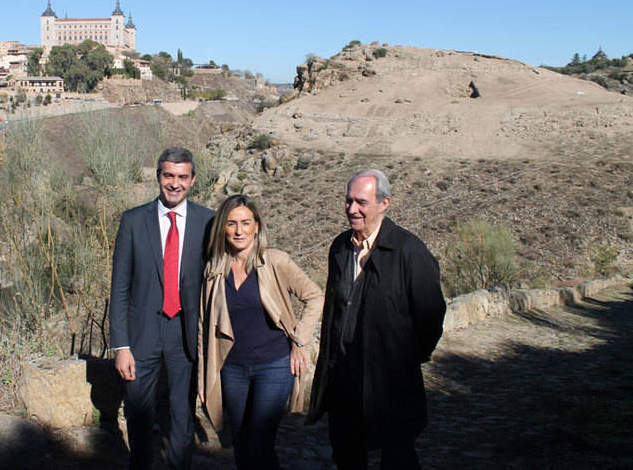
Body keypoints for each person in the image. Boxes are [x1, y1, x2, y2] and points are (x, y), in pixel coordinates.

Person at [306, 169, 446, 469]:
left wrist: (405, 357)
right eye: (348, 201)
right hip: (344, 379)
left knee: (397, 457)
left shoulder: (409, 251)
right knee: (347, 456)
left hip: (390, 382)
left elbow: (431, 315)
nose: (352, 209)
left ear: (384, 203)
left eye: (361, 202)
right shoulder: (341, 248)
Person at [198, 194, 323, 469]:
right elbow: (203, 328)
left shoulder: (275, 261)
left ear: (257, 225)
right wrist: (203, 378)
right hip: (232, 369)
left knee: (260, 441)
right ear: (222, 228)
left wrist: (300, 341)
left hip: (274, 366)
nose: (239, 230)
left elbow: (315, 297)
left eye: (245, 222)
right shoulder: (214, 271)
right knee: (241, 443)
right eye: (231, 223)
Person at [110, 147, 215, 470]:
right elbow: (119, 287)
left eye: (182, 177)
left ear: (193, 180)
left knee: (183, 414)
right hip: (142, 334)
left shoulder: (208, 221)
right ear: (158, 177)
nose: (175, 183)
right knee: (138, 412)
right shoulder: (132, 221)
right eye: (168, 175)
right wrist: (122, 345)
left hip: (185, 333)